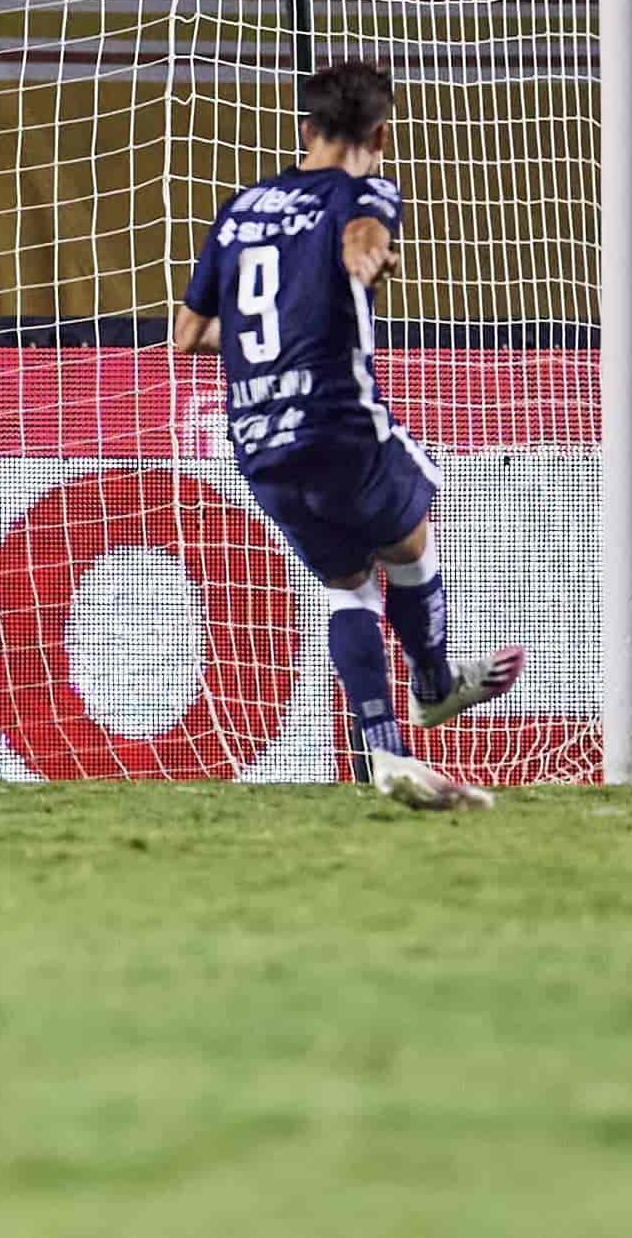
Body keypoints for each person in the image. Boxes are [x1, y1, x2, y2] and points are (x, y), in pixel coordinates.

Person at [172, 58, 523, 812]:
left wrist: (279, 330)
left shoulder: (239, 209)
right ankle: (434, 683)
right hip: (337, 422)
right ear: (381, 134)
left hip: (258, 439)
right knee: (414, 534)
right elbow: (363, 236)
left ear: (305, 127)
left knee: (349, 586)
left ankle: (386, 752)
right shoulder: (365, 190)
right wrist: (368, 263)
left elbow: (188, 333)